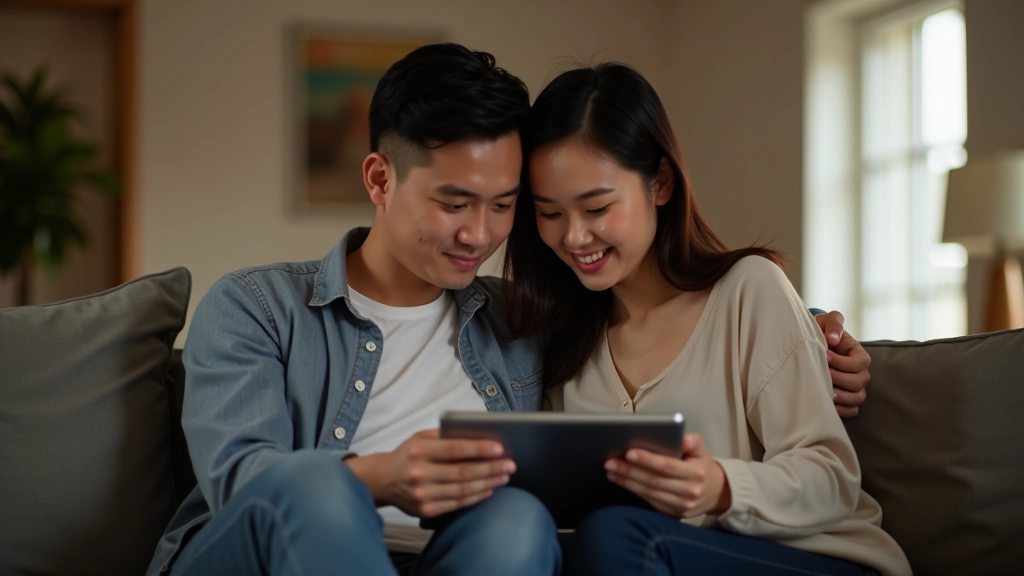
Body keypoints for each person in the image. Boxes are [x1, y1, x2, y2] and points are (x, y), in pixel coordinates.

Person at [147, 43, 872, 576]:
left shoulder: (517, 320)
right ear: (380, 179)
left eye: (504, 206)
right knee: (314, 482)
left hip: (446, 560)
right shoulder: (258, 306)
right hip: (268, 552)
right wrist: (381, 477)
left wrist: (819, 337)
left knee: (519, 516)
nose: (480, 234)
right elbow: (241, 482)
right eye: (454, 202)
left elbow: (687, 308)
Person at [504, 63, 911, 576]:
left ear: (660, 183)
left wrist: (720, 486)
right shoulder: (561, 343)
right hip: (655, 559)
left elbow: (831, 478)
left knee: (616, 535)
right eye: (550, 213)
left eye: (598, 207)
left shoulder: (748, 290)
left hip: (819, 558)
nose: (574, 237)